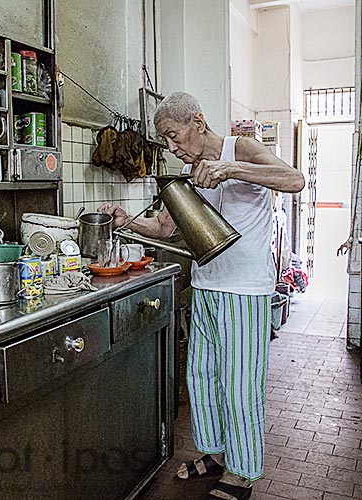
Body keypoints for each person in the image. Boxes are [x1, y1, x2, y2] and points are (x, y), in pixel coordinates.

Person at [99, 91, 304, 500]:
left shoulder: (239, 148)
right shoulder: (190, 173)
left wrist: (232, 169)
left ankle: (243, 472)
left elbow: (294, 179)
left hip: (244, 290)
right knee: (203, 376)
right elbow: (164, 228)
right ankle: (215, 454)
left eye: (175, 137)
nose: (174, 149)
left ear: (197, 121)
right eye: (167, 143)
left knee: (240, 383)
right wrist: (128, 222)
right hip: (206, 286)